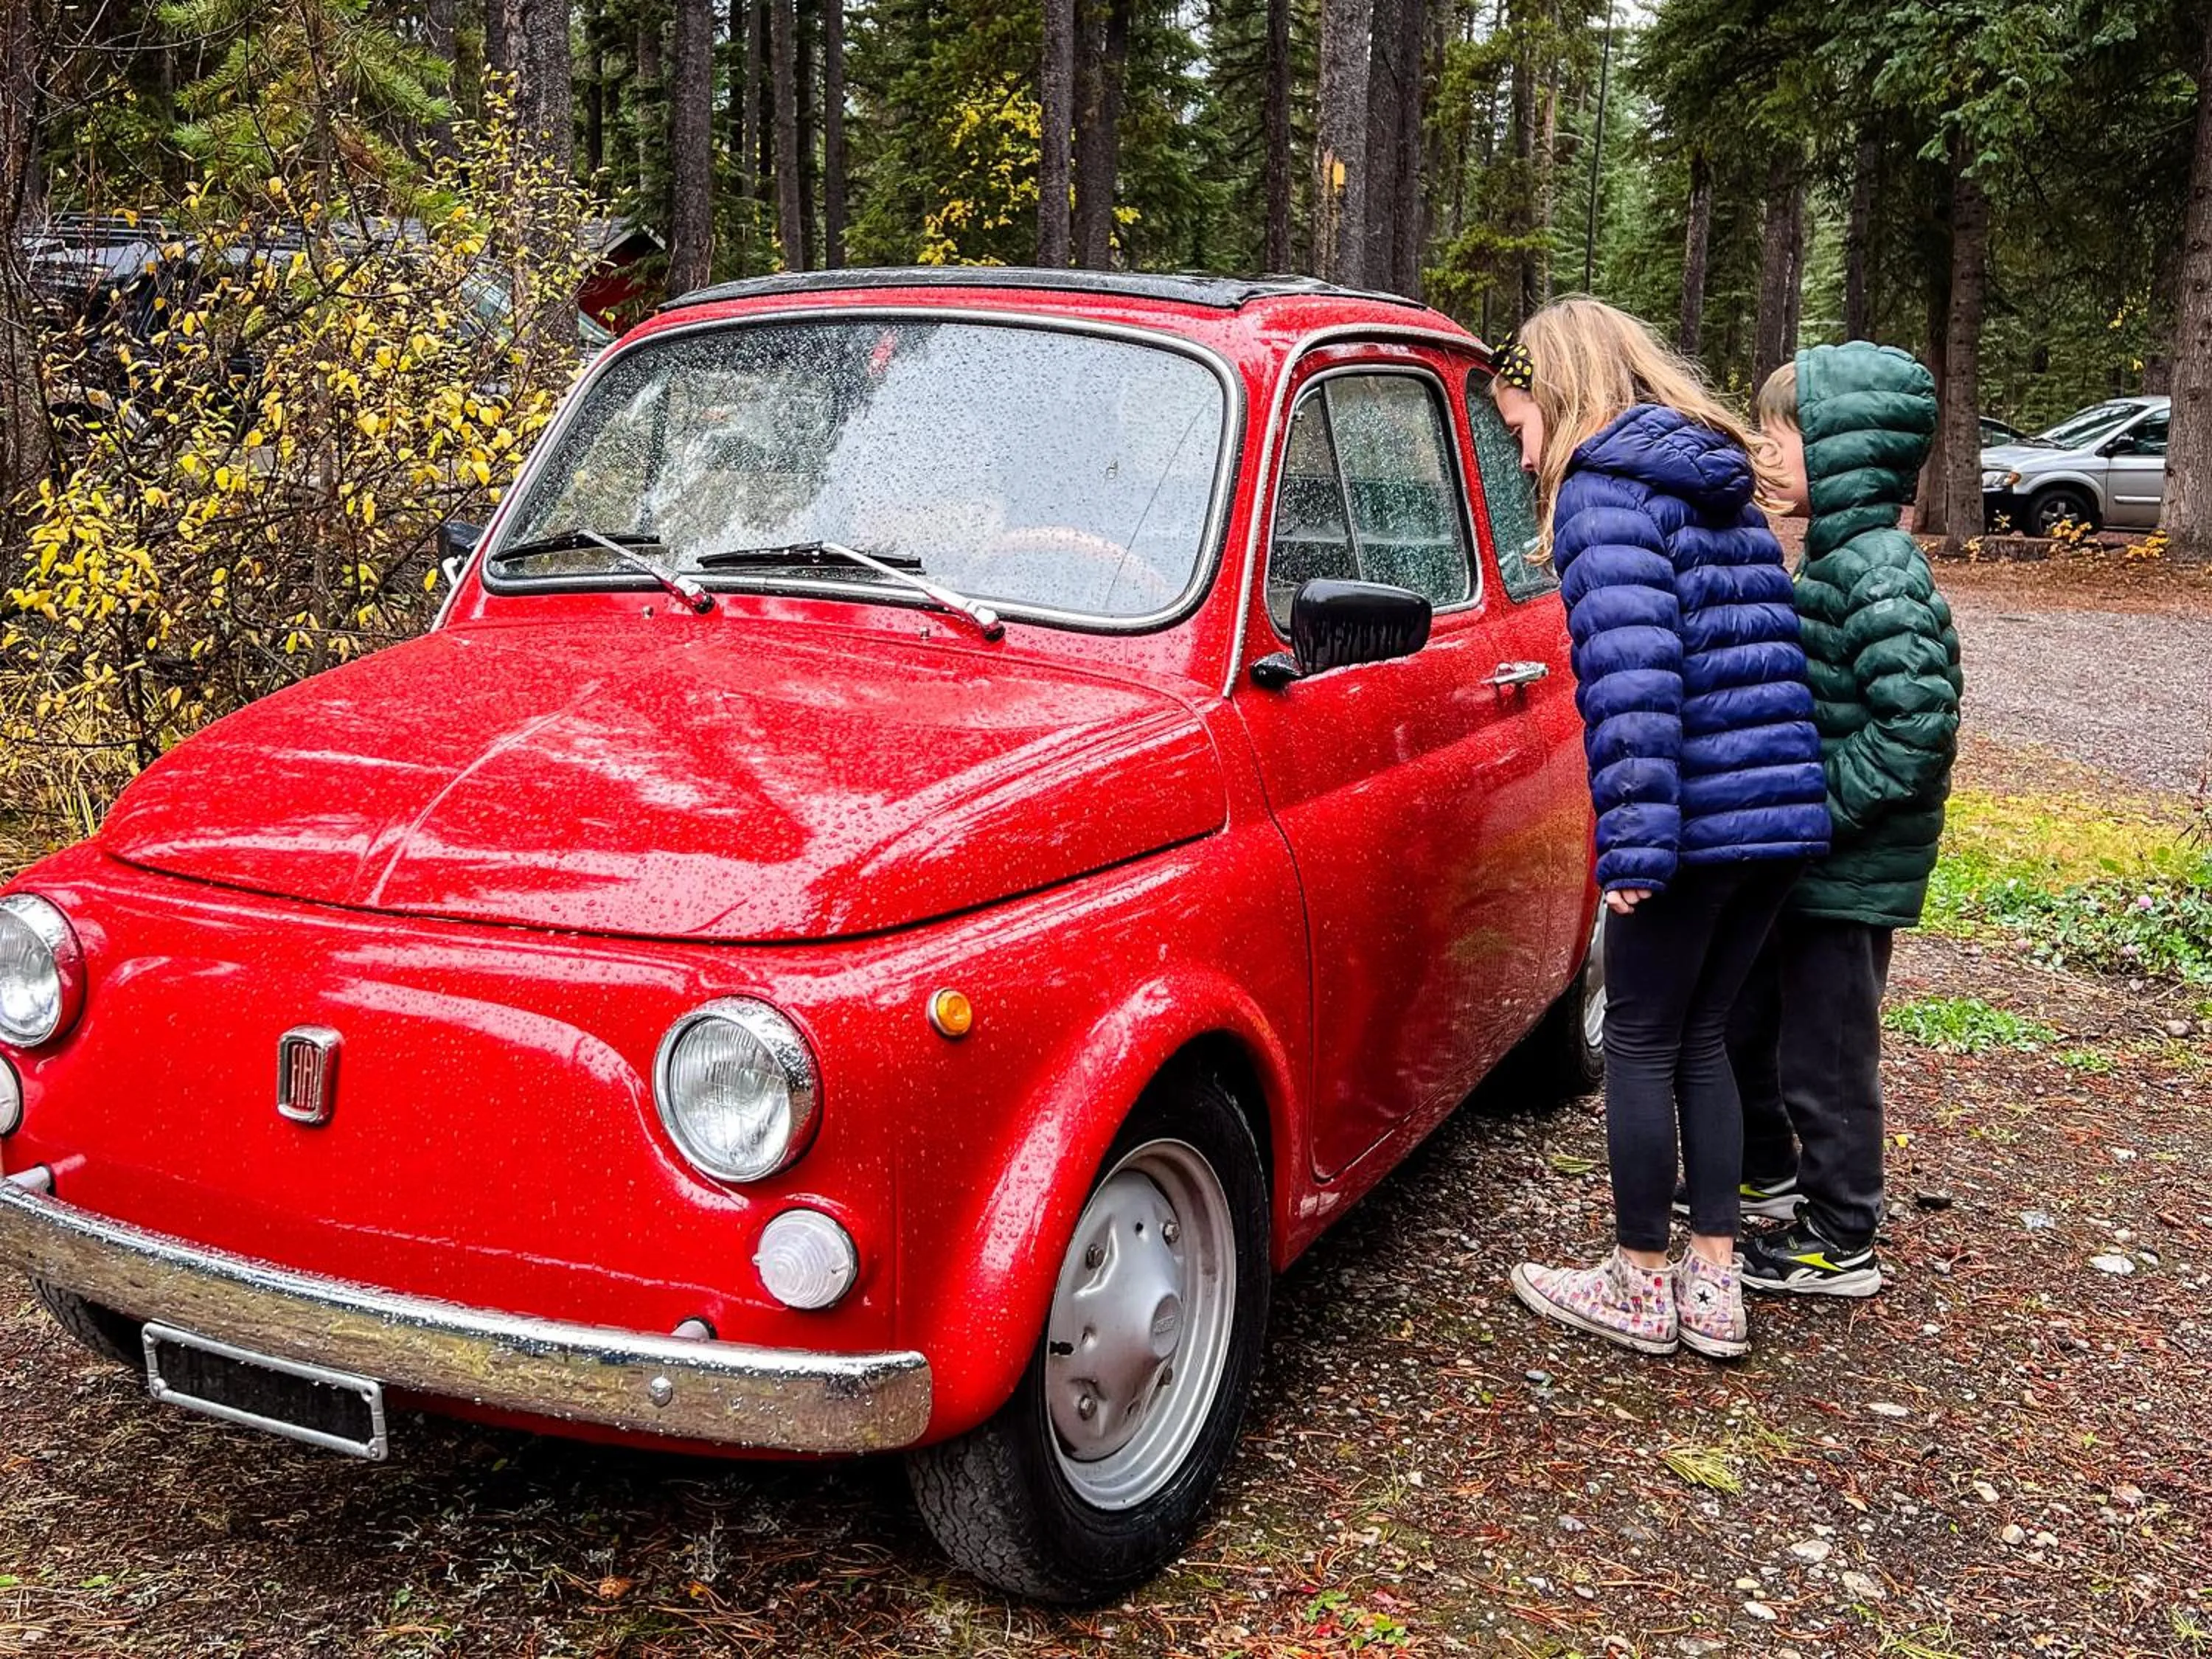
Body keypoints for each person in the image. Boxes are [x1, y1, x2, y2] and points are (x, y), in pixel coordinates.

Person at [1492, 298, 1831, 1360]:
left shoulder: (1604, 490)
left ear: (1558, 391)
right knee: (1703, 1038)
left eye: (1518, 426)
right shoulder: (1712, 479)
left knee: (1639, 1036)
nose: (1523, 450)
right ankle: (1715, 1283)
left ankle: (1641, 1280)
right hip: (1776, 816)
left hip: (1691, 816)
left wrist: (1635, 841)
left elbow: (1637, 678)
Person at [1723, 344, 1962, 1297]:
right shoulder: (1834, 553)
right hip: (1809, 859)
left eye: (1784, 436)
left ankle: (1841, 1237)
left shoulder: (1879, 570)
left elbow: (1919, 724)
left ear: (1843, 449)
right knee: (1758, 1023)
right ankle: (1776, 1179)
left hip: (1846, 864)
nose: (1766, 453)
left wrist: (1814, 804)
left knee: (1827, 1052)